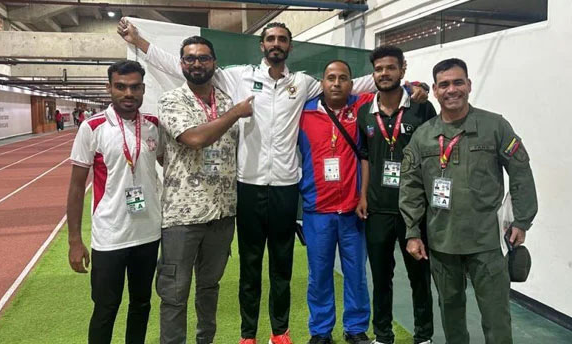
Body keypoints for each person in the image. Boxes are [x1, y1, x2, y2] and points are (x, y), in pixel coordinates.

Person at [117, 18, 426, 344]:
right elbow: (185, 68)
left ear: (288, 47)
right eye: (271, 39)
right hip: (248, 186)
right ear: (262, 45)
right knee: (250, 268)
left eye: (282, 39)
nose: (276, 43)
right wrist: (140, 42)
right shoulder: (238, 77)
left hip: (286, 187)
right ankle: (248, 335)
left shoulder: (304, 83)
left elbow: (357, 83)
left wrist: (408, 86)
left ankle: (280, 332)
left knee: (282, 266)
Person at [399, 58, 538, 344]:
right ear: (435, 91)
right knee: (450, 314)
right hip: (442, 241)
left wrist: (522, 220)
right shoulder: (424, 137)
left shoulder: (494, 126)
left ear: (469, 85)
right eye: (444, 84)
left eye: (458, 82)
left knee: (496, 317)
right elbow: (410, 187)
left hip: (487, 241)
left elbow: (521, 171)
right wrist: (413, 232)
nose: (452, 90)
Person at [156, 36, 253, 344]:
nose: (196, 63)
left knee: (209, 289)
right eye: (190, 58)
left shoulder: (226, 100)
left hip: (223, 214)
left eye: (203, 58)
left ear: (214, 62)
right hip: (181, 217)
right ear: (182, 64)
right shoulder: (171, 101)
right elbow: (194, 139)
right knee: (174, 294)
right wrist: (235, 114)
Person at [66, 60, 163, 344]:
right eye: (120, 87)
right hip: (110, 235)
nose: (128, 93)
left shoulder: (153, 126)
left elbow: (167, 165)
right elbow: (75, 188)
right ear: (109, 88)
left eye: (134, 87)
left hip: (148, 233)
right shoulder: (92, 127)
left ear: (143, 89)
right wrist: (75, 240)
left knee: (142, 304)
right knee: (106, 308)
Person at [356, 46, 435, 344]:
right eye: (379, 69)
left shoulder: (422, 107)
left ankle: (423, 336)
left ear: (403, 69)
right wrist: (363, 195)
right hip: (377, 209)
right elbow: (365, 157)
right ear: (373, 74)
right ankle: (383, 335)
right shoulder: (366, 111)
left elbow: (432, 154)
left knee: (419, 277)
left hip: (414, 211)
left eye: (390, 68)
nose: (384, 73)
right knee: (381, 277)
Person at [298, 60, 373, 344]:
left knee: (355, 274)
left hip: (354, 209)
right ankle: (320, 331)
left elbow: (393, 87)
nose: (337, 83)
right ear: (322, 82)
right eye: (331, 77)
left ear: (352, 83)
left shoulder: (363, 106)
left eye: (343, 78)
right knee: (319, 275)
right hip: (317, 210)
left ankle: (355, 328)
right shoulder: (303, 114)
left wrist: (416, 88)